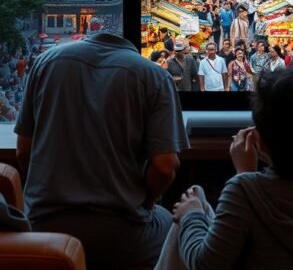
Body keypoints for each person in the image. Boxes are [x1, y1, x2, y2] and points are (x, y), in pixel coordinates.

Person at [15, 30, 188, 270]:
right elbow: (165, 167)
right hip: (122, 229)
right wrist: (145, 204)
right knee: (179, 228)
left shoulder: (45, 63)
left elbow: (23, 151)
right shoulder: (155, 77)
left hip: (43, 226)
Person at [172, 65, 293, 270]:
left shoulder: (244, 192)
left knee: (191, 202)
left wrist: (192, 215)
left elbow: (203, 264)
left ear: (261, 139)